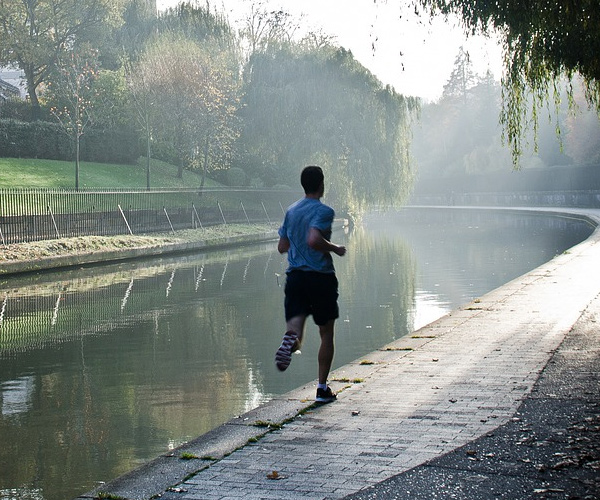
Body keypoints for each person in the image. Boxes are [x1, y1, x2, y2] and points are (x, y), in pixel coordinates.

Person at [275, 165, 346, 403]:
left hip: (295, 278)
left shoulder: (291, 211)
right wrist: (335, 248)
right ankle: (322, 388)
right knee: (326, 333)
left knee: (294, 334)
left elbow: (282, 246)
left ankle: (290, 341)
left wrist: (297, 245)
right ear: (321, 184)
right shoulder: (324, 211)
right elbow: (314, 238)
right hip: (320, 278)